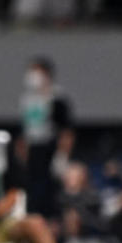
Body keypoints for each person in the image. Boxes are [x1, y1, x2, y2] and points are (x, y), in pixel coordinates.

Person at [18, 56, 74, 220]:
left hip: (50, 148)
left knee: (49, 192)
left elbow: (66, 131)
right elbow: (26, 129)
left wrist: (62, 156)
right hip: (34, 151)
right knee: (32, 191)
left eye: (36, 71)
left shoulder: (56, 98)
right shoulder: (27, 99)